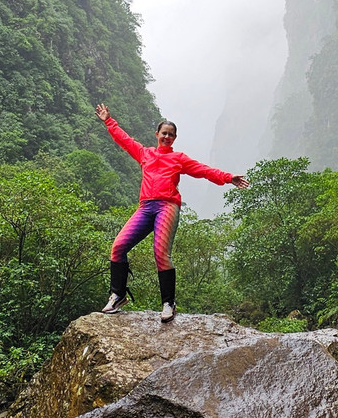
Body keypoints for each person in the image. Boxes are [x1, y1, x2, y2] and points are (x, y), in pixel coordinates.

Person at [95, 103, 249, 322]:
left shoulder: (179, 159)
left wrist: (227, 177)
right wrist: (109, 121)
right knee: (118, 247)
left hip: (167, 206)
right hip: (146, 207)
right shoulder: (145, 153)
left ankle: (168, 303)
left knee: (160, 253)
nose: (167, 137)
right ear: (157, 134)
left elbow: (203, 170)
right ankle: (118, 296)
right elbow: (124, 140)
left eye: (171, 135)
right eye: (164, 133)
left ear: (174, 138)